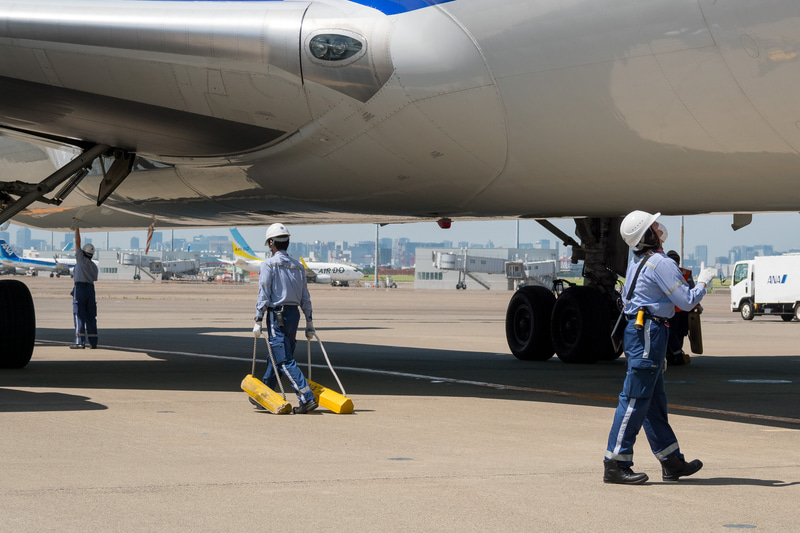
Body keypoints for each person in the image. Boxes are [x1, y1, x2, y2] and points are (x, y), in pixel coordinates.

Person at [603, 210, 716, 485]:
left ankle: (670, 460)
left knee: (652, 400)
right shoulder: (660, 263)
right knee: (634, 398)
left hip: (642, 330)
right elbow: (687, 301)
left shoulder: (638, 260)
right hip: (649, 333)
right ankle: (615, 462)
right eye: (653, 225)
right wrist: (703, 282)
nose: (658, 227)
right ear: (648, 234)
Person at [252, 223, 318, 414]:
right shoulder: (298, 267)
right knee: (276, 355)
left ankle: (306, 397)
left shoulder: (268, 265)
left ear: (271, 242)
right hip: (294, 315)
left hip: (277, 315)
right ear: (287, 241)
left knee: (283, 359)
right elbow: (305, 297)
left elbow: (264, 293)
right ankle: (264, 393)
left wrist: (258, 319)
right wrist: (310, 321)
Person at [665, 250, 697, 366]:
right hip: (684, 310)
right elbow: (692, 291)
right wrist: (696, 307)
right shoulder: (686, 272)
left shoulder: (664, 272)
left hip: (670, 310)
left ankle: (674, 355)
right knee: (680, 333)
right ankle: (676, 355)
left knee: (670, 334)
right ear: (678, 261)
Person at [71, 223, 99, 349]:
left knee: (79, 315)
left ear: (83, 252)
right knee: (91, 317)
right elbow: (94, 279)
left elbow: (77, 241)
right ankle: (93, 342)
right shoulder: (94, 266)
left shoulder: (80, 259)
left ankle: (79, 341)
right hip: (90, 290)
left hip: (80, 288)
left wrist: (77, 228)